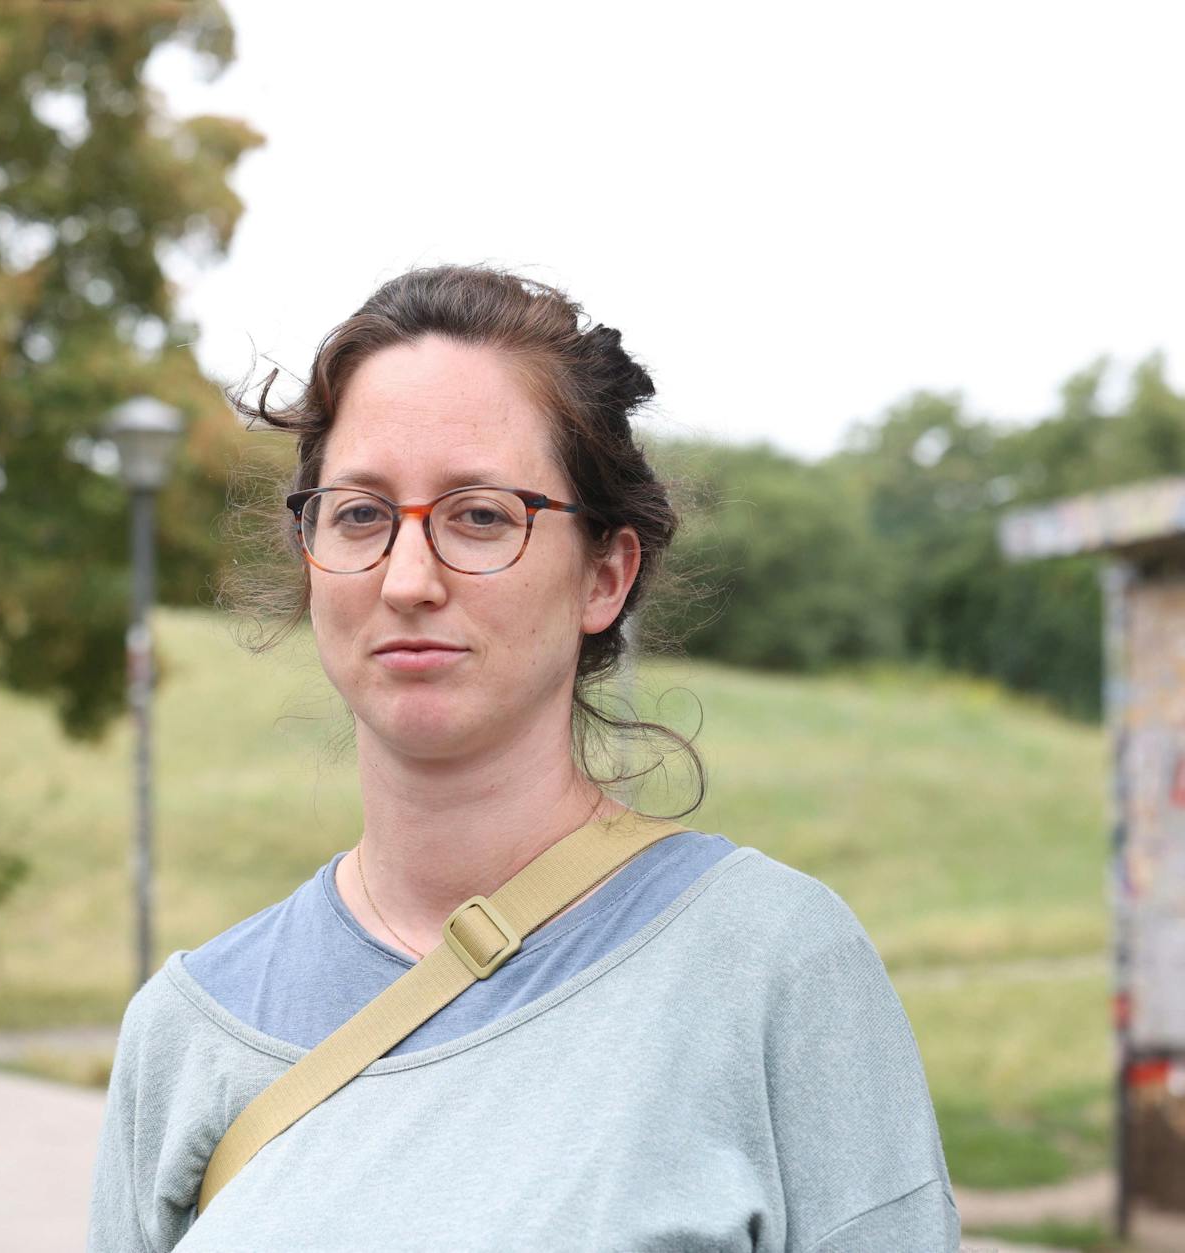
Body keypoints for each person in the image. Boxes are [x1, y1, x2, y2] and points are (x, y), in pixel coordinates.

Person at [86, 264, 959, 1250]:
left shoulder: (773, 969)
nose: (407, 578)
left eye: (481, 515)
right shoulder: (187, 1028)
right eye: (361, 514)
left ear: (602, 575)